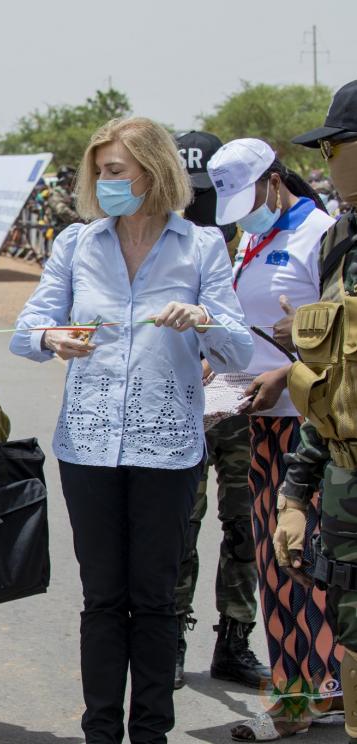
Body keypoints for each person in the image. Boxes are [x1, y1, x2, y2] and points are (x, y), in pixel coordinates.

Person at [11, 116, 254, 744]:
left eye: (115, 170)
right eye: (99, 172)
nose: (104, 182)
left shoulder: (201, 248)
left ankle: (151, 733)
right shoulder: (76, 244)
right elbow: (26, 329)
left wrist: (202, 318)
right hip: (88, 447)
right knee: (100, 599)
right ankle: (100, 732)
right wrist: (50, 336)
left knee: (154, 600)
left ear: (153, 170)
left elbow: (238, 354)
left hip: (168, 446)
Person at [203, 138, 341, 740]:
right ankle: (298, 689)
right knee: (274, 562)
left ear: (274, 181)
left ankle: (315, 691)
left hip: (310, 425)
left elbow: (345, 337)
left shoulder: (323, 235)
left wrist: (289, 367)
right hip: (258, 420)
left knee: (306, 560)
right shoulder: (251, 242)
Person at [272, 78, 357, 743]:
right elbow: (327, 386)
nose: (329, 164)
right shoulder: (341, 244)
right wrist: (296, 493)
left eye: (336, 148)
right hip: (345, 480)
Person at [170, 130, 267, 692]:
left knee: (245, 528)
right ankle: (173, 638)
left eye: (205, 190)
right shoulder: (170, 241)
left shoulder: (247, 235)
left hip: (245, 407)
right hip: (186, 408)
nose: (199, 202)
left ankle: (234, 639)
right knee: (181, 526)